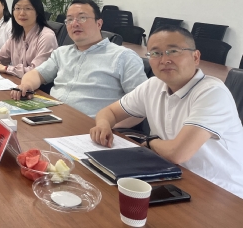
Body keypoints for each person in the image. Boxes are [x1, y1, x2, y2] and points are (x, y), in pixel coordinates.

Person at [90, 26, 243, 198]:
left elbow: (178, 153)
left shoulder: (212, 92)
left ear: (195, 57)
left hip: (222, 192)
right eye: (156, 53)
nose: (164, 60)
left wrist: (150, 142)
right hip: (174, 177)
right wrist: (103, 125)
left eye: (173, 51)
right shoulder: (153, 85)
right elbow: (110, 112)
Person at [11, 0, 147, 117]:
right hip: (51, 116)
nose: (74, 23)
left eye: (82, 18)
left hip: (90, 126)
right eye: (69, 19)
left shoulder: (123, 57)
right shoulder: (62, 53)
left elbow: (142, 104)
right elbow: (36, 74)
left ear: (99, 24)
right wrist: (27, 85)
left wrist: (108, 124)